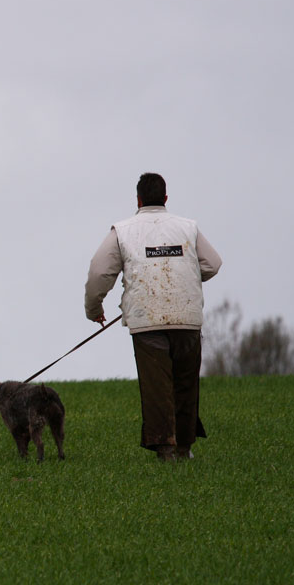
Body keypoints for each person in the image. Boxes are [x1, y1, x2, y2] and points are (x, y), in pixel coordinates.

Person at [84, 173, 222, 462]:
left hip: (146, 323)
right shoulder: (188, 227)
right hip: (187, 319)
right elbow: (212, 264)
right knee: (185, 384)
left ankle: (166, 450)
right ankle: (185, 449)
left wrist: (94, 309)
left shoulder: (122, 231)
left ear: (138, 200)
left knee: (157, 388)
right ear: (166, 199)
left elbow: (99, 272)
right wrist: (187, 276)